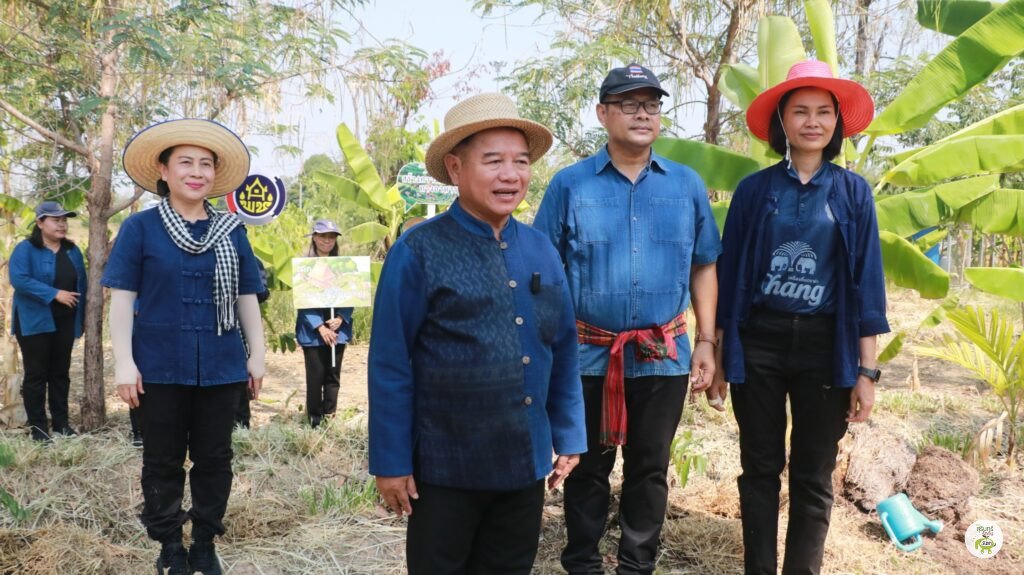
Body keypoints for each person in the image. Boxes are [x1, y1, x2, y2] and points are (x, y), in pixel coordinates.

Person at [368, 93, 587, 574]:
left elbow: (563, 348)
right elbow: (390, 362)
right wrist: (391, 461)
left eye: (520, 161)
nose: (510, 175)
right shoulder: (418, 250)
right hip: (445, 465)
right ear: (455, 167)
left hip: (524, 462)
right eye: (493, 161)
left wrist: (569, 434)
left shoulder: (541, 250)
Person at [533, 63, 722, 575]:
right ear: (603, 113)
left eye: (652, 105)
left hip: (663, 355)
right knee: (586, 466)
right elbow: (543, 270)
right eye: (629, 104)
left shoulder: (686, 185)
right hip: (587, 355)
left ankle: (637, 565)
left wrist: (706, 340)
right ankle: (582, 562)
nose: (643, 114)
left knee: (650, 468)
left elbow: (704, 264)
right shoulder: (570, 186)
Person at [714, 60, 889, 575]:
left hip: (825, 346)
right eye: (800, 111)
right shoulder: (754, 191)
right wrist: (720, 352)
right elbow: (729, 274)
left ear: (837, 122)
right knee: (759, 468)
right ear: (782, 122)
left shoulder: (853, 192)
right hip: (760, 343)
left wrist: (867, 371)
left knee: (814, 474)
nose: (812, 122)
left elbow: (868, 285)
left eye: (823, 112)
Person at [103, 118, 266, 575]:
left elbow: (247, 297)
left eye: (205, 164)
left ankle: (205, 543)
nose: (196, 172)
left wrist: (257, 355)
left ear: (215, 173)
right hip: (158, 366)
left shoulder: (232, 230)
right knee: (162, 460)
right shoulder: (140, 228)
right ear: (164, 169)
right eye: (186, 162)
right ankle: (170, 546)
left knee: (215, 459)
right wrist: (124, 363)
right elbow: (122, 299)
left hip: (221, 364)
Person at [9, 201, 87, 442]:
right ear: (40, 223)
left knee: (60, 373)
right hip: (34, 320)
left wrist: (82, 319)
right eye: (55, 220)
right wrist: (55, 294)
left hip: (65, 321)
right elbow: (19, 279)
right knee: (36, 374)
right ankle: (39, 429)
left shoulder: (72, 251)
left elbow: (82, 285)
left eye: (64, 220)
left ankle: (62, 425)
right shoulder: (25, 249)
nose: (62, 224)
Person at [295, 219, 353, 428]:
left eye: (331, 237)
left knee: (333, 374)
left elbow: (353, 293)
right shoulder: (304, 267)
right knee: (315, 376)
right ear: (314, 238)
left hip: (339, 331)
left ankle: (330, 415)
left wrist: (341, 318)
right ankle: (314, 419)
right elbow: (303, 299)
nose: (327, 241)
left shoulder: (345, 266)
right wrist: (320, 327)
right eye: (322, 236)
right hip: (313, 333)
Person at [234, 256, 271, 429]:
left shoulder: (251, 260)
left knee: (239, 384)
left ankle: (241, 427)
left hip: (240, 332)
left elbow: (262, 293)